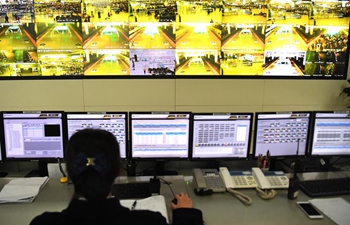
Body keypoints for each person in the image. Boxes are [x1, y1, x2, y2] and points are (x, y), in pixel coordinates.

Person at [30, 129, 203, 225]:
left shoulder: (42, 224)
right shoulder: (150, 222)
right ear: (117, 171)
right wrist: (185, 214)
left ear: (69, 171)